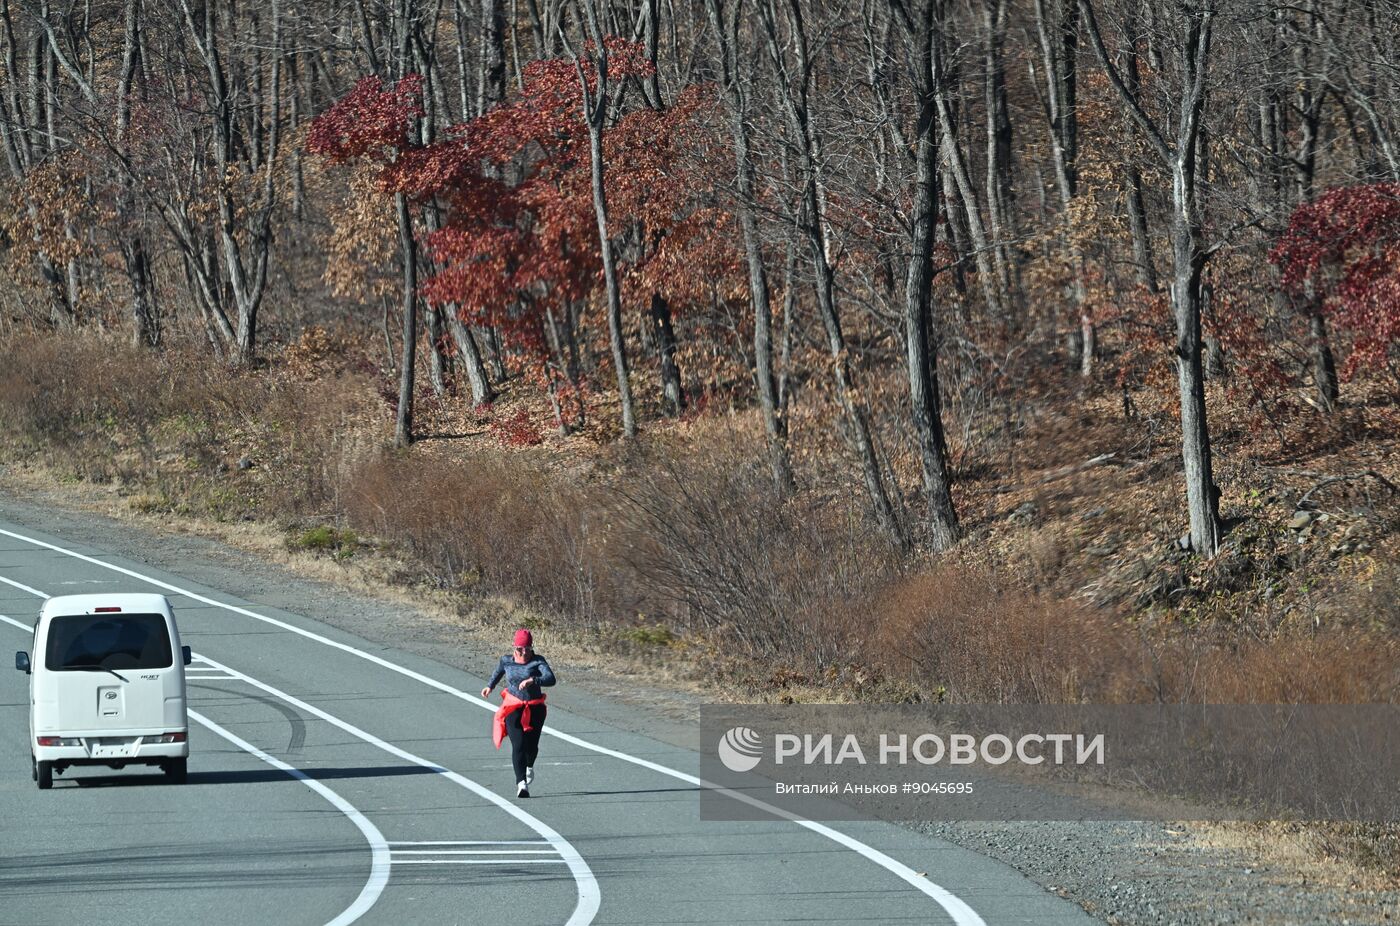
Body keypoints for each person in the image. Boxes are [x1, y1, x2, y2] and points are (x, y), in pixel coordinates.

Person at [482, 629, 555, 798]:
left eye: (527, 649)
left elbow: (551, 679)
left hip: (534, 708)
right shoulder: (506, 660)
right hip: (513, 706)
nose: (524, 652)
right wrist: (489, 686)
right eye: (520, 649)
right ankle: (521, 783)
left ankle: (529, 765)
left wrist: (533, 680)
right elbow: (498, 672)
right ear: (514, 647)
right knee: (519, 744)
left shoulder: (538, 662)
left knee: (531, 746)